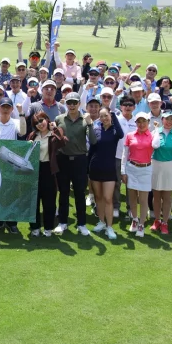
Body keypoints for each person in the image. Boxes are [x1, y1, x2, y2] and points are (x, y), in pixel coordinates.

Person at [54, 92, 96, 236]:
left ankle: (81, 224)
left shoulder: (85, 119)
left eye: (74, 103)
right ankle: (63, 222)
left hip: (79, 160)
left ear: (79, 104)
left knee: (79, 193)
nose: (71, 105)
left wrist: (90, 123)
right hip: (63, 159)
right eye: (69, 103)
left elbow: (93, 140)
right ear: (66, 104)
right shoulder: (59, 119)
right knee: (64, 192)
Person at [0, 98, 26, 234]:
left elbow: (23, 132)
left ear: (12, 109)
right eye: (3, 106)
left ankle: (11, 222)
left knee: (11, 193)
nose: (6, 109)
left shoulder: (16, 122)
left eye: (8, 107)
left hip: (11, 163)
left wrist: (21, 113)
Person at [89, 105, 124, 240]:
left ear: (111, 116)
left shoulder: (115, 130)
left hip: (109, 168)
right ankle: (101, 222)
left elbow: (121, 134)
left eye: (106, 115)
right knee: (98, 197)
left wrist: (113, 116)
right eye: (101, 116)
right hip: (95, 167)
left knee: (108, 198)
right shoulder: (96, 130)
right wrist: (87, 167)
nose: (104, 118)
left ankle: (109, 226)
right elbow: (92, 149)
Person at [28, 111, 63, 237]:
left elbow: (63, 142)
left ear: (47, 120)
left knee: (49, 201)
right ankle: (35, 227)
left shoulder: (54, 134)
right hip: (34, 169)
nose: (39, 124)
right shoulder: (33, 135)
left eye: (41, 120)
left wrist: (55, 129)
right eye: (36, 123)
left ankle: (48, 228)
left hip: (49, 169)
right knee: (34, 200)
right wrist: (28, 144)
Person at [121, 112, 153, 237]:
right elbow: (125, 155)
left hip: (146, 169)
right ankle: (134, 220)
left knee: (143, 199)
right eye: (139, 121)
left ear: (148, 122)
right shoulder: (130, 135)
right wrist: (123, 171)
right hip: (131, 168)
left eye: (144, 121)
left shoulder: (153, 135)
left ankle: (142, 224)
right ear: (135, 123)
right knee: (132, 197)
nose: (141, 124)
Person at [150, 111, 172, 234]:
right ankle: (157, 220)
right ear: (162, 119)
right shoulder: (155, 132)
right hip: (156, 165)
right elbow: (153, 146)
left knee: (167, 197)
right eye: (167, 119)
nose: (169, 121)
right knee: (156, 195)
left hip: (170, 166)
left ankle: (165, 222)